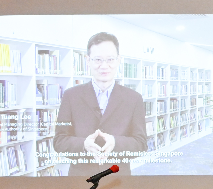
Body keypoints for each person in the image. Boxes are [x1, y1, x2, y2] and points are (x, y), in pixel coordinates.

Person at [53, 31, 146, 177]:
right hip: (80, 178)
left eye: (110, 59)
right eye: (97, 60)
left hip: (118, 177)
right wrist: (83, 145)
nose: (104, 66)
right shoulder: (71, 96)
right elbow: (59, 141)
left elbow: (141, 143)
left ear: (118, 60)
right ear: (88, 60)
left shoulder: (134, 99)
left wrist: (115, 143)